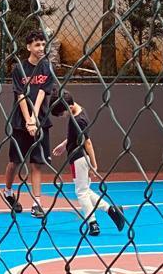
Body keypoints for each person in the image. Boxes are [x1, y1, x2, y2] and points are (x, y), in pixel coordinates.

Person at [50, 90, 126, 236]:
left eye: (61, 114)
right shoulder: (79, 112)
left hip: (79, 158)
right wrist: (64, 144)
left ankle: (93, 223)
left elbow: (88, 142)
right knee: (85, 190)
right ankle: (112, 211)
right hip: (79, 157)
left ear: (69, 107)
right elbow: (76, 135)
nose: (61, 117)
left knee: (81, 192)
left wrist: (94, 164)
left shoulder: (78, 120)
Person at [2, 29, 59, 218]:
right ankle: (8, 192)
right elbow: (20, 95)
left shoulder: (47, 67)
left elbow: (42, 93)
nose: (41, 48)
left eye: (43, 44)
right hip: (21, 123)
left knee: (36, 163)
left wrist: (35, 119)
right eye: (37, 45)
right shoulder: (19, 69)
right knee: (15, 162)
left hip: (40, 121)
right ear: (29, 47)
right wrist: (28, 120)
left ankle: (37, 203)